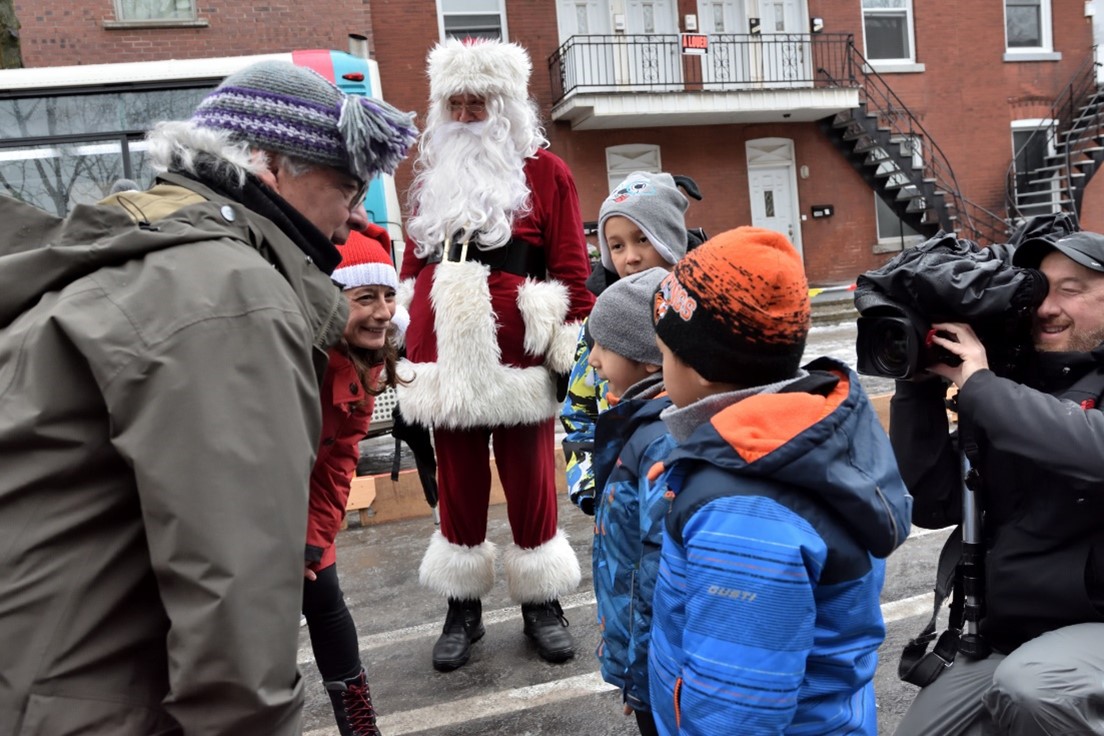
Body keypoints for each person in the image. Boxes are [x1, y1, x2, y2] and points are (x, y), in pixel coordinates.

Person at [0, 61, 415, 735]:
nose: (354, 218)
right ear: (269, 163)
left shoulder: (149, 255)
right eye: (345, 186)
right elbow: (233, 602)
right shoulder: (229, 293)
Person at [645, 227, 912, 735]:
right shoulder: (795, 442)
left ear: (701, 369)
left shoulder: (742, 514)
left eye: (665, 354)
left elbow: (735, 713)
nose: (660, 371)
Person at [397, 37, 594, 672]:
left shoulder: (545, 172)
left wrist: (569, 350)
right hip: (442, 356)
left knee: (532, 480)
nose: (463, 116)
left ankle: (541, 603)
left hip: (515, 354)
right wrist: (399, 328)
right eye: (453, 104)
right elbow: (413, 262)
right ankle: (463, 607)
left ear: (505, 104)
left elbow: (571, 270)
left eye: (476, 103)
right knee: (456, 484)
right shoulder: (430, 176)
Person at [891, 230, 1104, 735]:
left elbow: (1088, 445)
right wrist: (917, 388)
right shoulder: (1015, 381)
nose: (1047, 308)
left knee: (1034, 688)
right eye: (1038, 291)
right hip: (1007, 638)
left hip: (1084, 637)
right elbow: (933, 503)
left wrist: (982, 387)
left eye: (1070, 289)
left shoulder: (996, 390)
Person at [306, 227, 410, 736]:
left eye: (389, 296)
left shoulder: (367, 366)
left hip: (304, 519)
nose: (383, 311)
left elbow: (340, 459)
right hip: (254, 521)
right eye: (364, 297)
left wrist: (315, 538)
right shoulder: (301, 361)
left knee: (327, 604)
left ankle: (358, 723)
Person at [561, 171, 689, 515]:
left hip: (686, 488)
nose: (629, 257)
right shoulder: (601, 324)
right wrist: (591, 483)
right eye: (616, 246)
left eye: (642, 240)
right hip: (618, 492)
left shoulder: (698, 313)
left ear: (670, 239)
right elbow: (579, 410)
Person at [585, 267, 675, 736]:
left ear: (646, 358)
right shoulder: (638, 421)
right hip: (645, 657)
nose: (593, 359)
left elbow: (656, 572)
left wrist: (639, 674)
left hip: (657, 667)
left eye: (603, 345)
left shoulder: (660, 440)